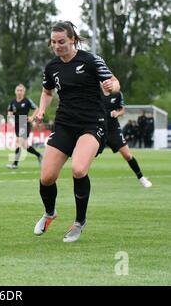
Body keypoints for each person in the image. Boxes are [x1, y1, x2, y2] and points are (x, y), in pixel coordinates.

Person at [33, 21, 120, 243]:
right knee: (47, 176)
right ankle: (50, 213)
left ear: (72, 39)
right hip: (65, 123)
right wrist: (42, 109)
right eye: (53, 42)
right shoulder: (52, 67)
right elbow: (47, 91)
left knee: (79, 169)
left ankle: (79, 222)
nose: (57, 46)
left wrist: (112, 87)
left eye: (61, 41)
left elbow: (114, 82)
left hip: (93, 122)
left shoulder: (90, 60)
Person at [102, 91, 152, 188]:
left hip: (113, 130)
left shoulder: (117, 93)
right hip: (98, 128)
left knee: (127, 155)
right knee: (88, 157)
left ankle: (141, 178)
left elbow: (122, 111)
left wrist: (117, 113)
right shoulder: (94, 90)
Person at [6, 83, 42, 169]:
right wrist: (10, 117)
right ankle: (39, 155)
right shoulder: (13, 102)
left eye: (21, 90)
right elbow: (9, 112)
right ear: (15, 91)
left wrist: (32, 117)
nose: (19, 92)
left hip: (24, 123)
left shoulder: (27, 101)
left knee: (18, 142)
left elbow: (37, 108)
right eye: (18, 90)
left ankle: (15, 164)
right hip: (17, 124)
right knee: (25, 146)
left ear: (24, 92)